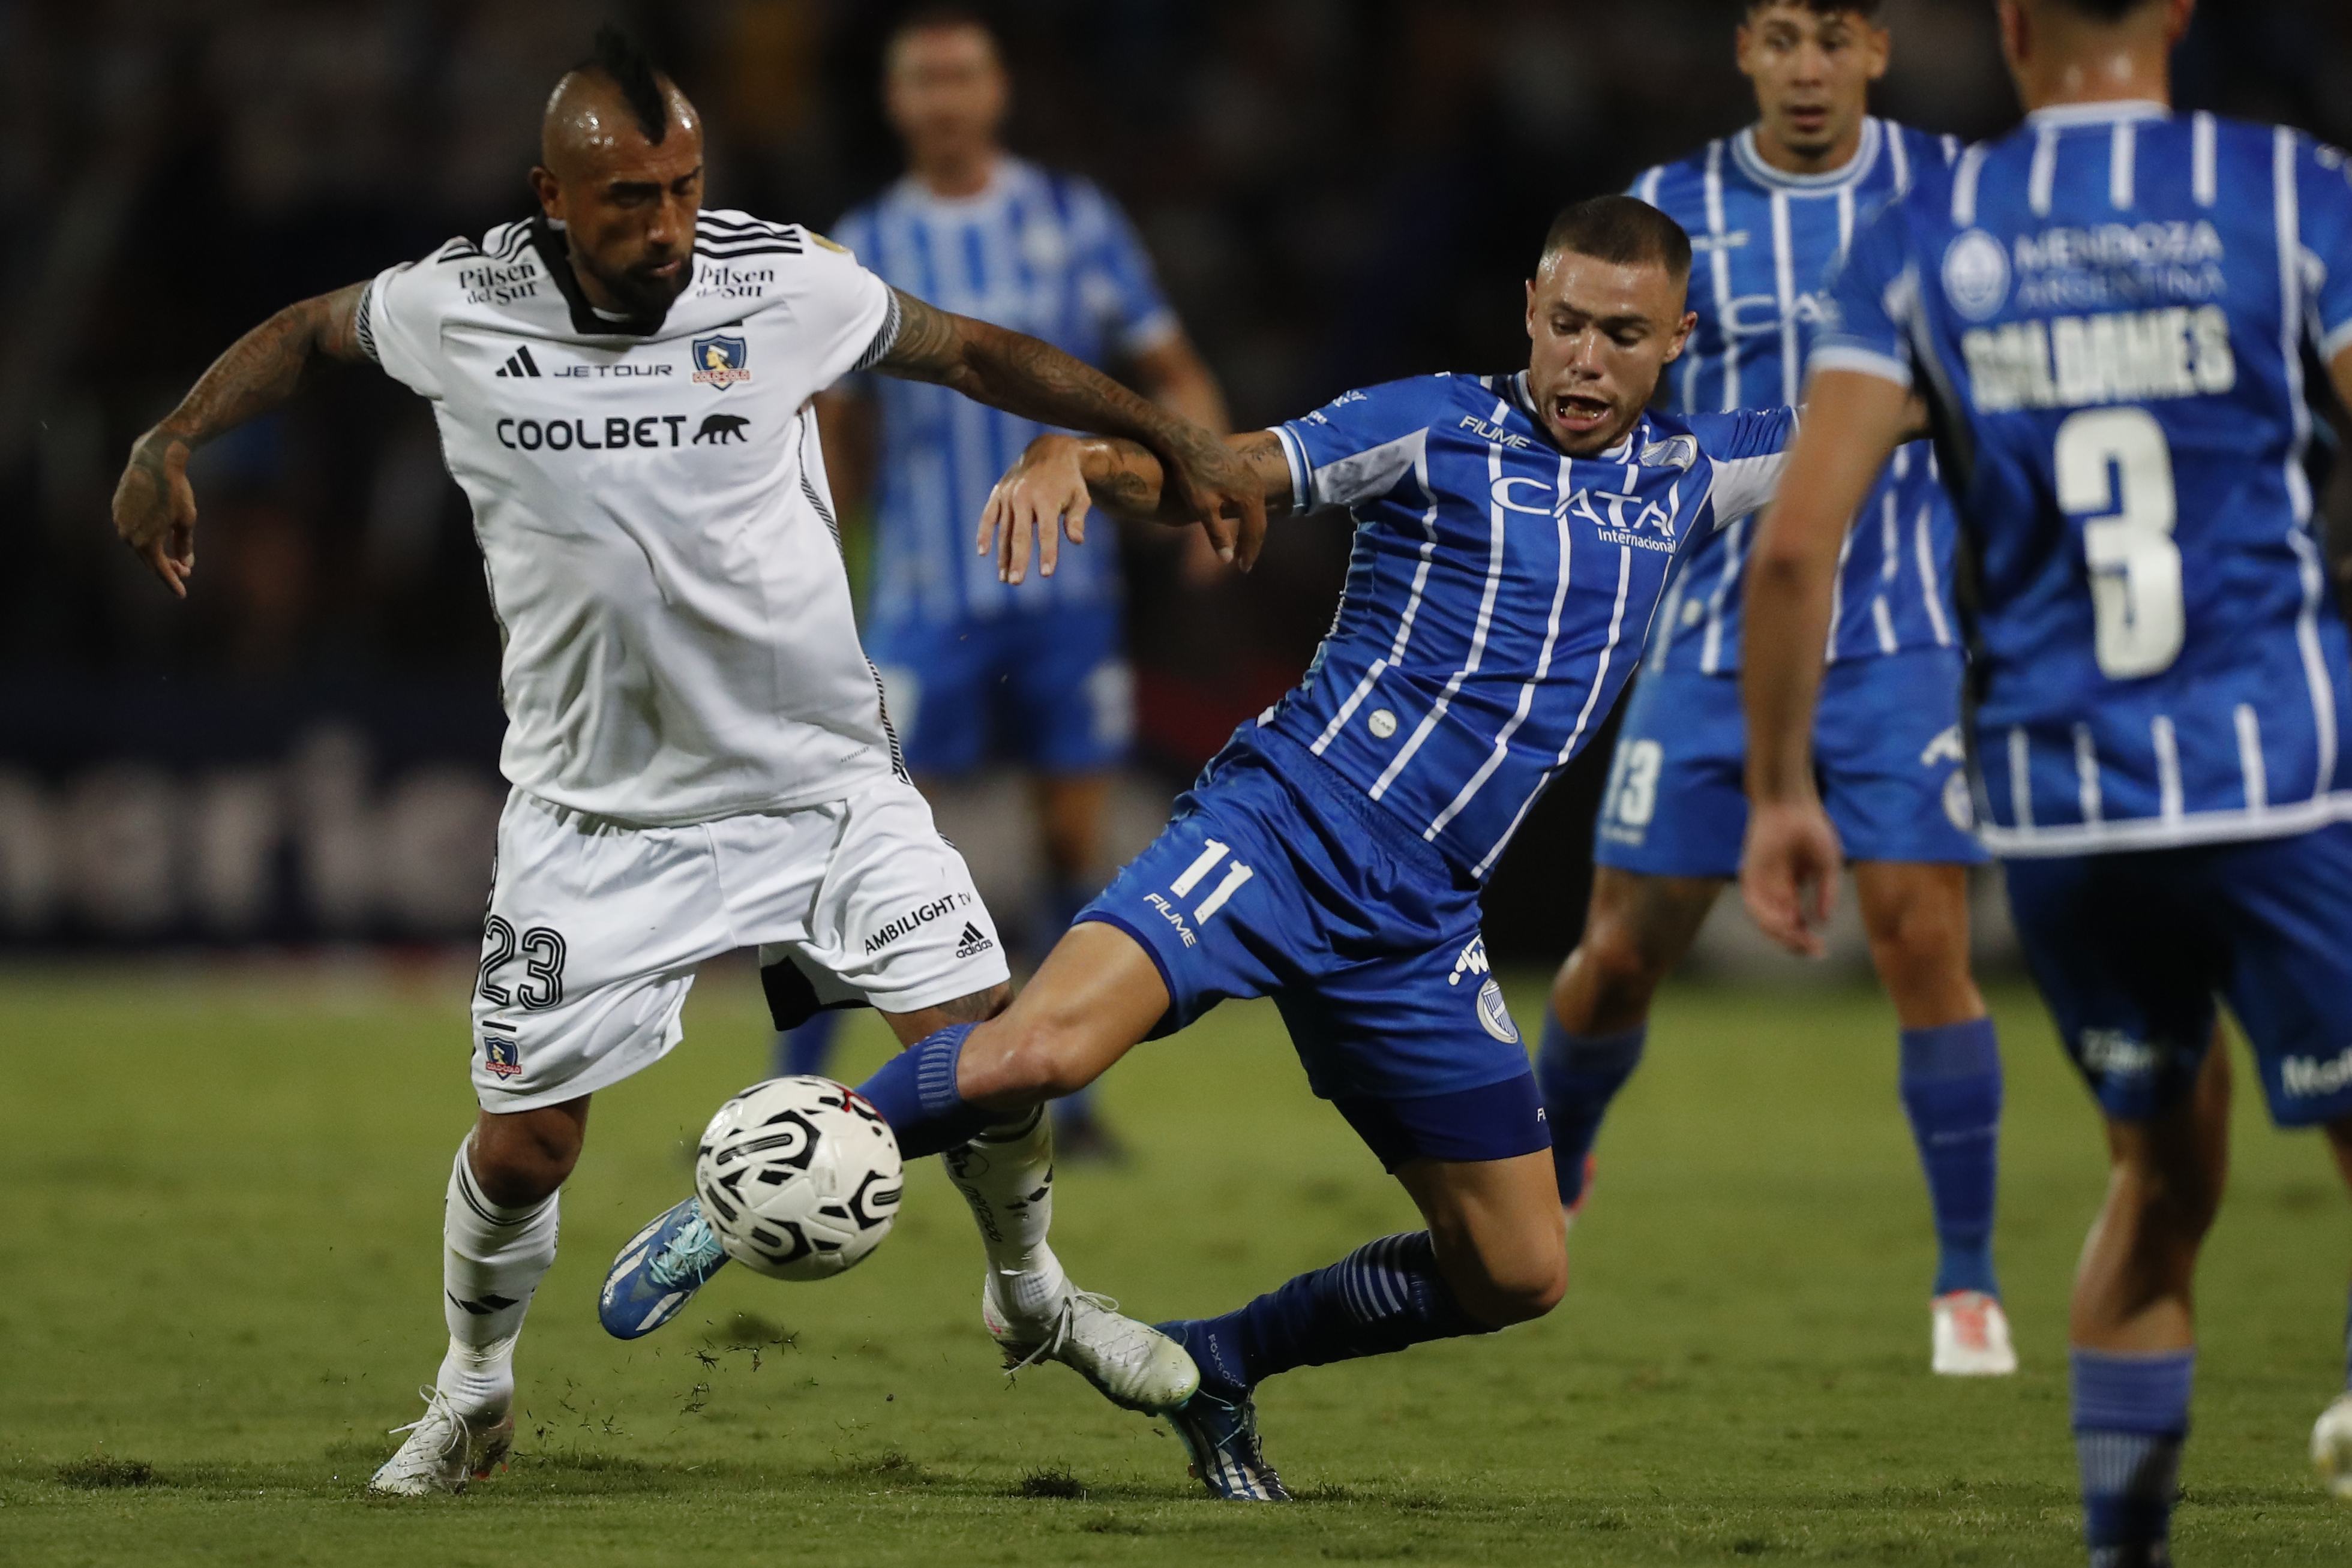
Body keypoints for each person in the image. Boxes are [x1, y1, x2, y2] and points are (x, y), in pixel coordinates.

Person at [606, 195, 1917, 1499]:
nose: (1586, 357)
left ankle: (1221, 1357)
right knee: (1039, 1052)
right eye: (1565, 322)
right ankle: (739, 1195)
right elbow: (1220, 470)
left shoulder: (1695, 477)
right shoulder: (1430, 424)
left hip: (1419, 921)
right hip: (1282, 828)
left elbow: (1901, 405)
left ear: (1677, 337)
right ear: (1529, 307)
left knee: (1519, 1269)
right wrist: (1079, 458)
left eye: (1622, 335)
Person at [107, 28, 1265, 1498]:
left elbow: (973, 352)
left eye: (683, 186)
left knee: (986, 1043)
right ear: (551, 198)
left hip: (823, 784)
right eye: (628, 202)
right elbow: (312, 331)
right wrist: (174, 434)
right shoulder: (456, 305)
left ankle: (1027, 1286)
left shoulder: (780, 282)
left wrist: (1177, 435)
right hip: (593, 818)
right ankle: (472, 1389)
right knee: (526, 1146)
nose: (665, 226)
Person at [1735, 0, 2352, 1558]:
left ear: (2011, 27)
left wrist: (1779, 789)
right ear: (2180, 15)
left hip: (2062, 809)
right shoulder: (2286, 189)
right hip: (2272, 780)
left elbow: (1798, 543)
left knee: (2155, 1179)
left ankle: (2120, 1550)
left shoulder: (1927, 229)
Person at [1537, 0, 2015, 1378]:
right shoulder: (1665, 208)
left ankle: (1967, 1283)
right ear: (1743, 48)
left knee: (1925, 938)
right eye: (1782, 37)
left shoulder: (1949, 191)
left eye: (1836, 38)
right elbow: (1597, 390)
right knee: (1621, 954)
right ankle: (1554, 1171)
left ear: (1878, 48)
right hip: (1702, 638)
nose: (1808, 69)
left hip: (1896, 632)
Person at [772, 7, 1232, 1163]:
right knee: (850, 841)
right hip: (926, 598)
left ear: (996, 91)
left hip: (1069, 601)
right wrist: (825, 566)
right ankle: (793, 1091)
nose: (943, 96)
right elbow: (840, 429)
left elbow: (1169, 367)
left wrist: (1209, 479)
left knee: (1073, 842)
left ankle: (1068, 1106)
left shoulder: (1073, 221)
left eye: (961, 75)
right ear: (896, 101)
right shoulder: (861, 242)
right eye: (921, 78)